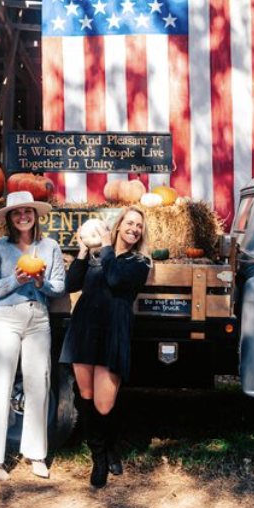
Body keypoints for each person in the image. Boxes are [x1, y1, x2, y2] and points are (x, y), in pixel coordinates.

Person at [60, 206, 152, 487]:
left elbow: (114, 279)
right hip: (85, 329)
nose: (134, 229)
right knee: (86, 397)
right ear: (119, 224)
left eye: (139, 226)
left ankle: (111, 444)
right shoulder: (99, 254)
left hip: (113, 332)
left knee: (104, 403)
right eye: (130, 223)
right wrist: (84, 251)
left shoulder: (140, 263)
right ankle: (99, 457)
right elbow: (70, 284)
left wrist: (107, 247)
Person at [0, 190, 65, 481]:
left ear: (35, 215)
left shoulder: (50, 247)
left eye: (27, 211)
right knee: (0, 383)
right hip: (6, 318)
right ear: (10, 219)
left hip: (38, 319)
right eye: (17, 213)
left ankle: (36, 454)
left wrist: (40, 282)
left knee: (39, 383)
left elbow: (59, 288)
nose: (23, 216)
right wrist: (14, 280)